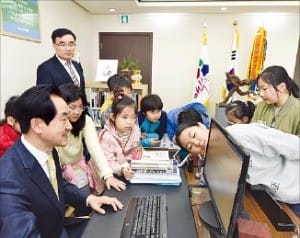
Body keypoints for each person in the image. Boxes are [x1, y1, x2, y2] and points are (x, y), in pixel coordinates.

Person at [0, 85, 123, 238]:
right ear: (37, 125)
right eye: (63, 119)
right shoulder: (8, 180)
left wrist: (89, 198)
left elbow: (56, 187)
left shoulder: (48, 150)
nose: (69, 126)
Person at [175, 121, 300, 216]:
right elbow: (209, 184)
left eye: (194, 135)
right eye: (191, 146)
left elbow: (293, 145)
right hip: (279, 198)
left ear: (201, 125)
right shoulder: (217, 152)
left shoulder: (239, 134)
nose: (196, 143)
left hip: (295, 188)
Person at [56, 83, 126, 199]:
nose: (78, 112)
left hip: (77, 168)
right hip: (56, 170)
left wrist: (108, 175)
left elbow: (95, 148)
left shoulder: (85, 120)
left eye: (81, 107)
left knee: (84, 202)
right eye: (72, 107)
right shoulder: (54, 123)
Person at [99, 88, 142, 180]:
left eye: (133, 117)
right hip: (110, 175)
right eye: (125, 117)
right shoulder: (106, 136)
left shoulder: (136, 131)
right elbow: (108, 161)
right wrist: (122, 169)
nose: (130, 122)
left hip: (129, 172)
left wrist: (132, 162)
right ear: (113, 117)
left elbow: (134, 150)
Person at [36, 28, 86, 98]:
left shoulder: (77, 65)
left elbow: (82, 91)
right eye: (63, 44)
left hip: (80, 108)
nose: (68, 49)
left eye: (71, 44)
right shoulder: (45, 68)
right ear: (54, 45)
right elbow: (44, 98)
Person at [251, 65, 300, 136]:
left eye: (264, 89)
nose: (260, 94)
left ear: (282, 86)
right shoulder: (261, 106)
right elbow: (252, 132)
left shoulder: (297, 110)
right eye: (259, 89)